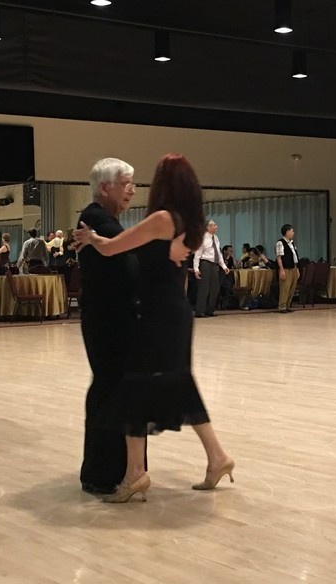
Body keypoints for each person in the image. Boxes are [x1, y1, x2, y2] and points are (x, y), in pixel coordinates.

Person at [78, 153, 234, 503]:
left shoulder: (162, 219)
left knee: (137, 386)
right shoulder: (188, 224)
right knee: (175, 384)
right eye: (128, 183)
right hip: (172, 312)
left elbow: (113, 248)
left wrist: (91, 238)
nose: (136, 188)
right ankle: (214, 458)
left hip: (155, 314)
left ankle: (137, 474)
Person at [74, 158, 144, 495]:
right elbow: (134, 249)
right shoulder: (94, 218)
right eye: (126, 183)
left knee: (115, 389)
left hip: (117, 319)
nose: (132, 190)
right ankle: (104, 473)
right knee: (109, 389)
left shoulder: (106, 221)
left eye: (133, 183)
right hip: (108, 323)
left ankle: (118, 470)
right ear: (104, 187)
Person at [192, 220, 229, 317]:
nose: (216, 226)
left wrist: (224, 266)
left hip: (214, 264)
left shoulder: (215, 238)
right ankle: (200, 311)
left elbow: (218, 253)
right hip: (205, 263)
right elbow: (197, 254)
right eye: (214, 225)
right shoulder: (202, 238)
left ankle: (210, 310)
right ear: (208, 227)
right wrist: (196, 269)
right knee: (204, 288)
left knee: (214, 288)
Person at [275, 224, 299, 313]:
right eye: (292, 231)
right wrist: (281, 269)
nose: (293, 233)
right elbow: (279, 257)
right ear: (287, 232)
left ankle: (288, 305)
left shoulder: (292, 243)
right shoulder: (280, 243)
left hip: (293, 267)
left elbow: (295, 256)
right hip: (285, 268)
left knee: (292, 287)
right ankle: (282, 306)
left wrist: (297, 268)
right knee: (285, 287)